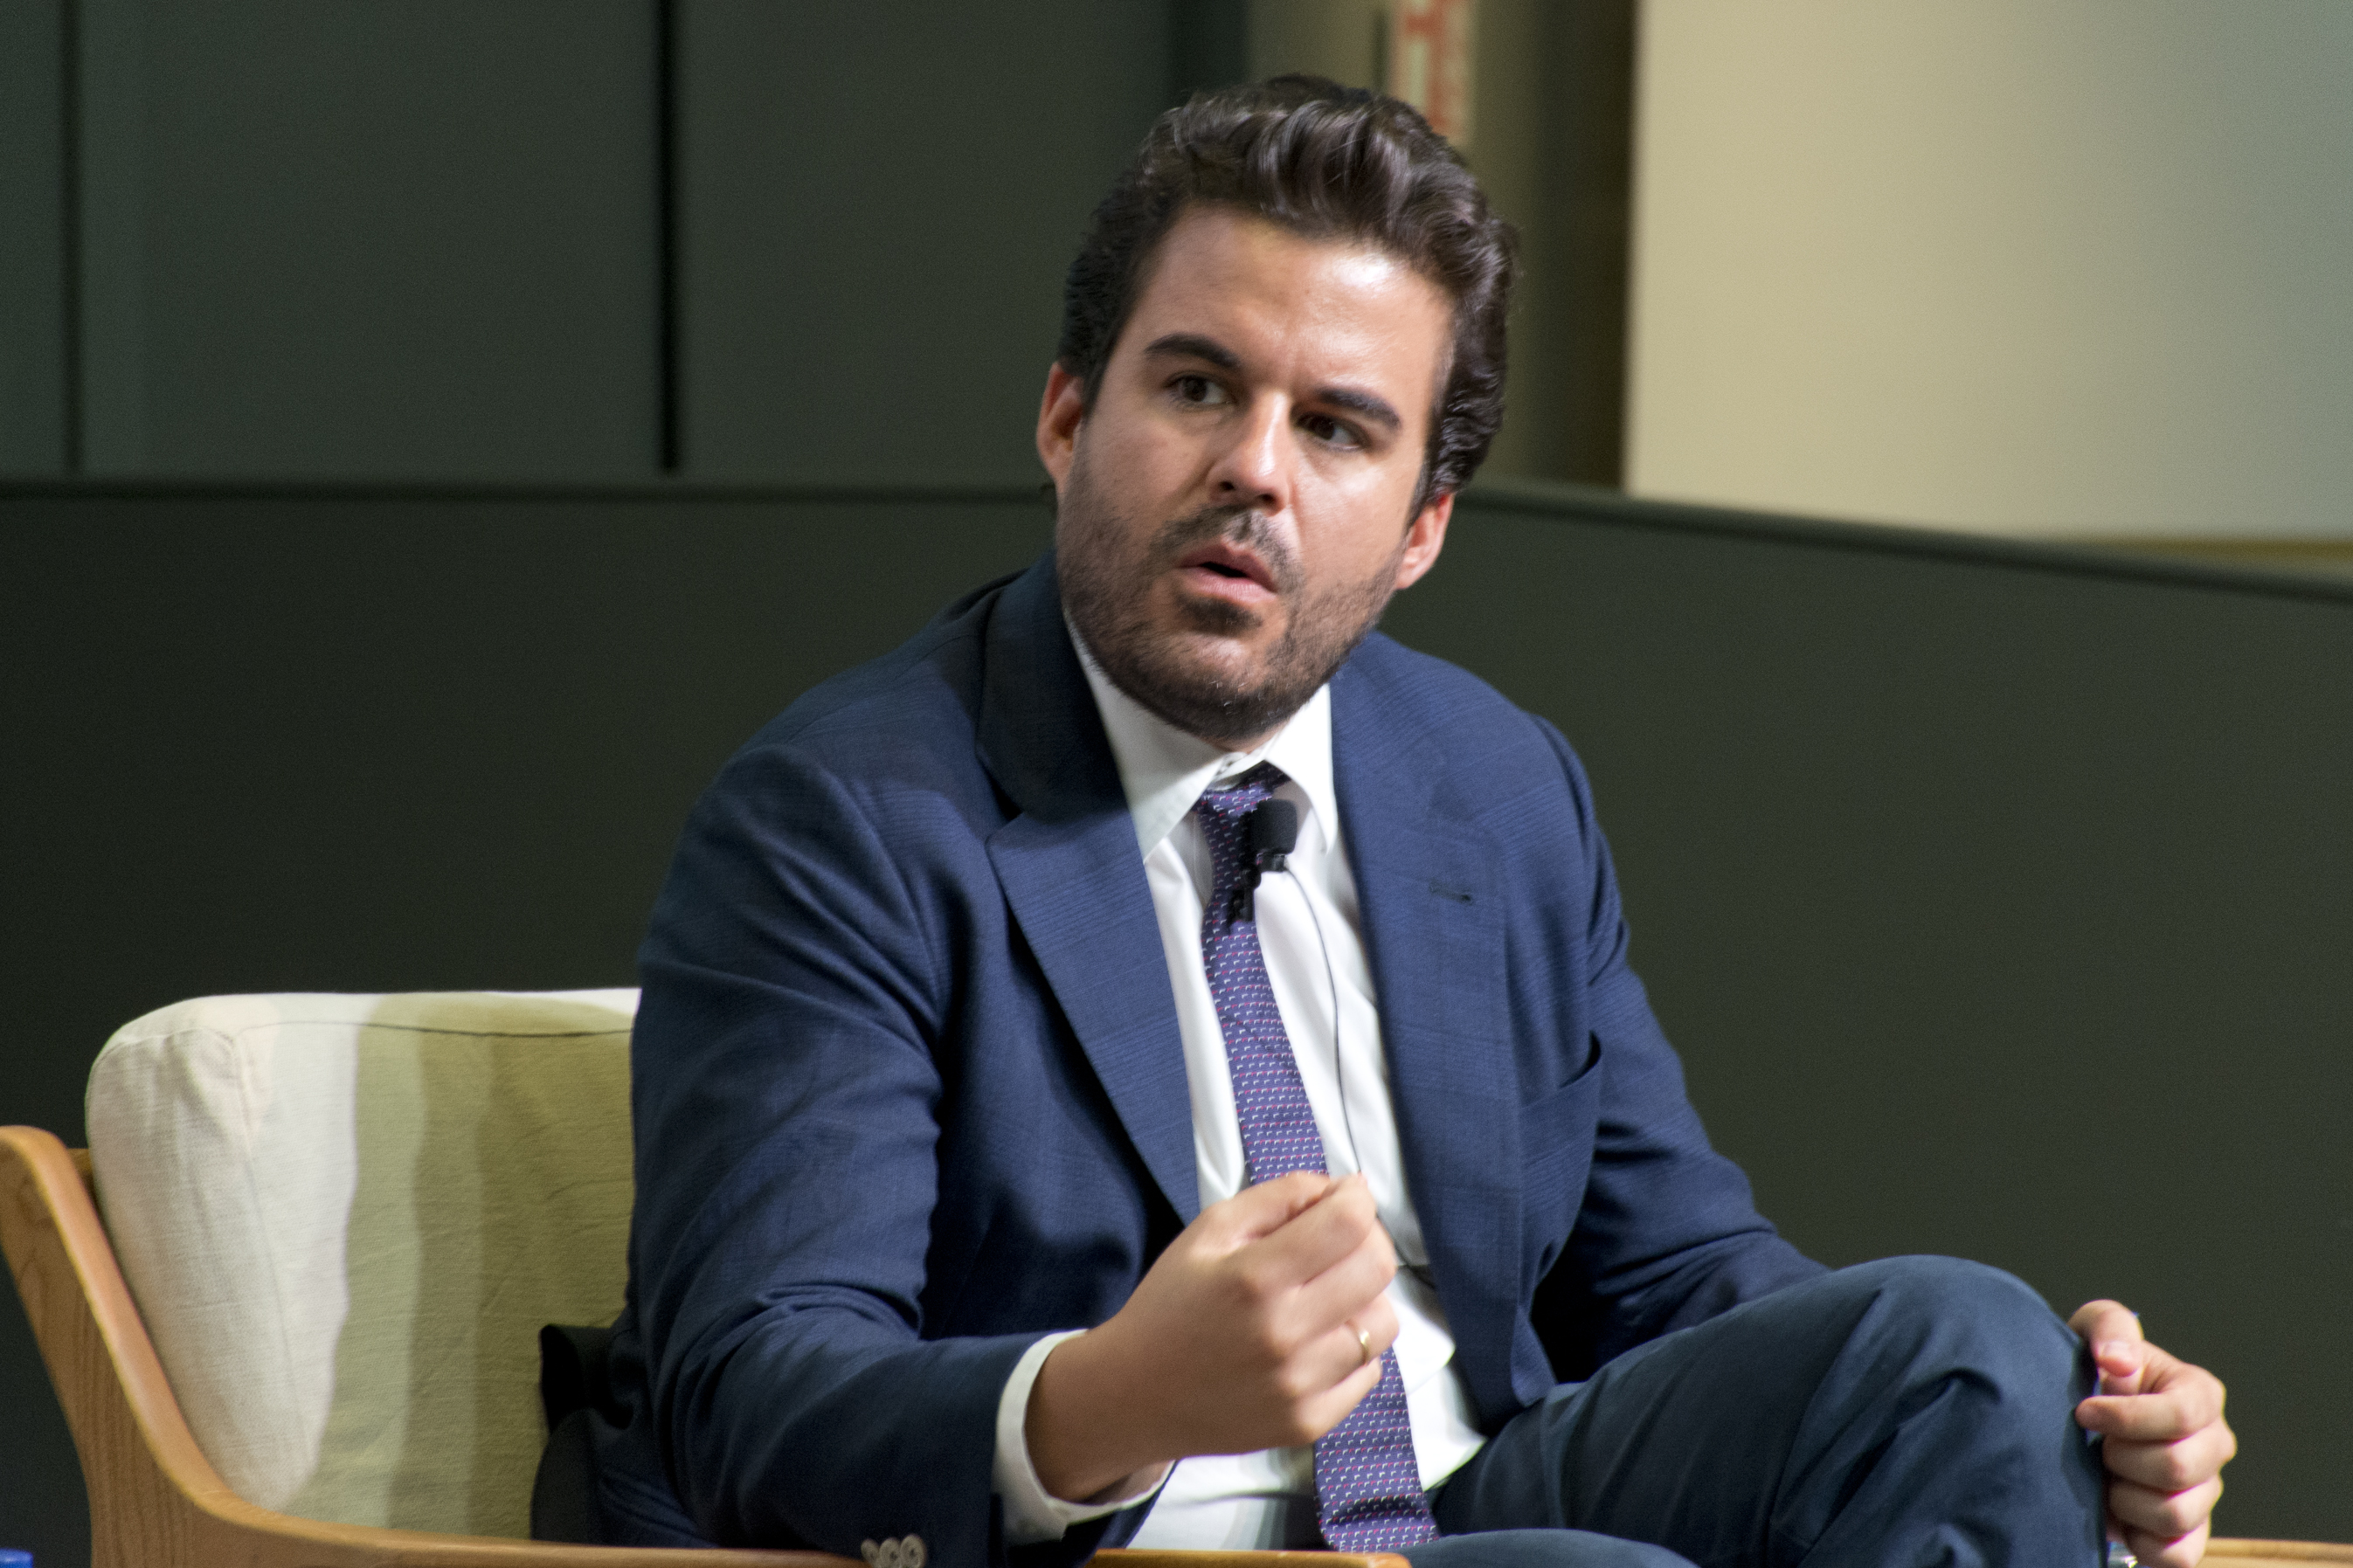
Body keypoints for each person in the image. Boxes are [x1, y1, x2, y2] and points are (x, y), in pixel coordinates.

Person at [589, 78, 2232, 1567]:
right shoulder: (846, 819)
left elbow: (1673, 1277)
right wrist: (1111, 1395)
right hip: (1131, 1546)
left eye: (1335, 427)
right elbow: (756, 1392)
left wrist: (2063, 1410)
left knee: (1965, 1350)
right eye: (1196, 387)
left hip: (1480, 1502)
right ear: (1067, 419)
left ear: (1422, 526)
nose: (1254, 470)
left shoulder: (1491, 785)